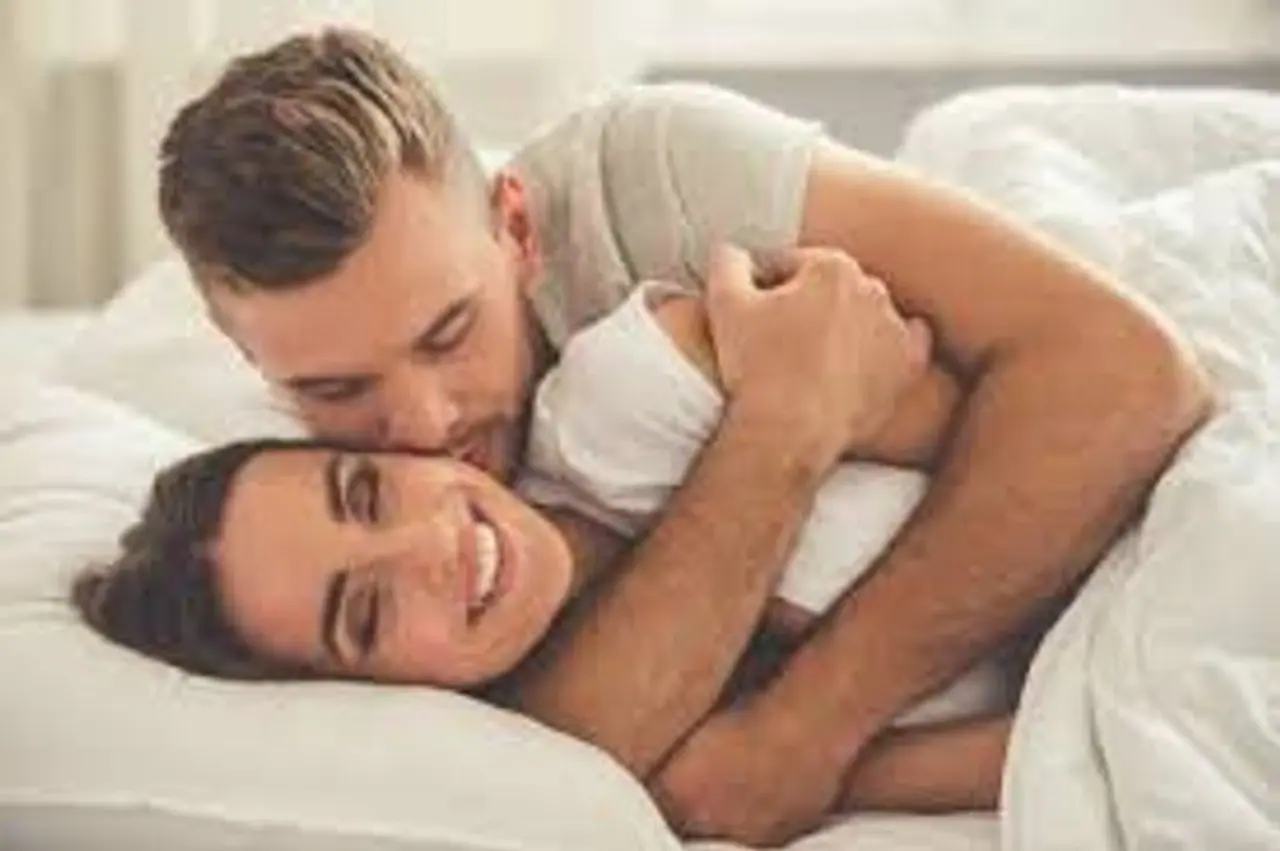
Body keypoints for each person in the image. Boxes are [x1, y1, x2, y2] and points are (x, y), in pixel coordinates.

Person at [144, 27, 1211, 844]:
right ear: (253, 364)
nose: (421, 427)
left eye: (449, 333)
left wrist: (810, 723)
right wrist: (789, 420)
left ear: (516, 229)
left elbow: (1127, 377)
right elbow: (591, 748)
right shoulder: (304, 542)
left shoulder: (649, 211)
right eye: (335, 388)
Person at [73, 275, 1015, 811]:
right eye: (367, 610)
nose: (430, 544)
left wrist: (785, 418)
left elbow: (1035, 448)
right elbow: (1036, 749)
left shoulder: (639, 392)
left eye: (367, 492)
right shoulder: (641, 768)